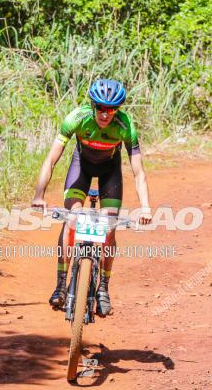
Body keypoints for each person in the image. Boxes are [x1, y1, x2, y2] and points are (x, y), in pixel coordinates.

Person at [31, 79, 152, 316]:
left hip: (110, 172)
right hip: (81, 168)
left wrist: (146, 207)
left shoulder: (125, 125)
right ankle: (61, 284)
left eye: (111, 109)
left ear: (118, 109)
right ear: (92, 105)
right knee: (72, 220)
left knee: (109, 227)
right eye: (100, 108)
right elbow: (51, 159)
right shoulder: (77, 118)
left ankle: (103, 288)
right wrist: (39, 194)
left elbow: (138, 172)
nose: (105, 114)